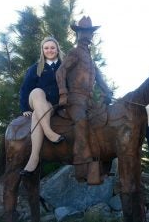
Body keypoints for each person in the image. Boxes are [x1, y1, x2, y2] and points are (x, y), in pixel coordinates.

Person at [56, 16, 112, 181]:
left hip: (88, 100)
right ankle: (81, 168)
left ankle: (101, 164)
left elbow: (100, 79)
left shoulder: (90, 58)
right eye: (84, 32)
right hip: (75, 98)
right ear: (78, 33)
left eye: (90, 32)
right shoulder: (74, 52)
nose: (88, 35)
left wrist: (108, 91)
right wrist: (63, 93)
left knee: (102, 123)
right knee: (81, 123)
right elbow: (60, 72)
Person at [19, 36, 65, 176]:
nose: (49, 50)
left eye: (52, 47)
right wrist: (25, 108)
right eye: (46, 48)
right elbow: (25, 89)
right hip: (38, 100)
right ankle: (49, 133)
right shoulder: (36, 68)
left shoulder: (64, 66)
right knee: (37, 91)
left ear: (57, 49)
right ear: (42, 50)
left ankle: (34, 158)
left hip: (55, 105)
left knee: (36, 116)